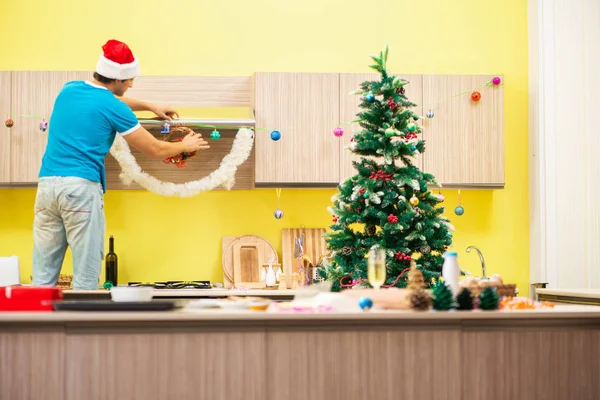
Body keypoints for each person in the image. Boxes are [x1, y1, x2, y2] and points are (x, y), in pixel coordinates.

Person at [31, 39, 209, 290]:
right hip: (79, 189)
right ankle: (83, 327)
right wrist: (185, 146)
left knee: (42, 277)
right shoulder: (114, 108)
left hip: (47, 187)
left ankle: (37, 328)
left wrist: (149, 106)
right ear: (117, 80)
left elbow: (107, 100)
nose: (132, 84)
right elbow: (154, 148)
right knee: (85, 277)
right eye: (129, 80)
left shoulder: (69, 89)